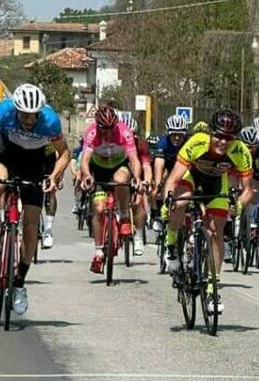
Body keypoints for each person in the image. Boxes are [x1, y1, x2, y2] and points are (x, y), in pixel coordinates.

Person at [0, 83, 70, 315]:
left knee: (30, 227)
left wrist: (54, 177)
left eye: (32, 116)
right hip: (6, 151)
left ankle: (19, 284)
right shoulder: (3, 111)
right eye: (24, 115)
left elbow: (64, 153)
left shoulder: (50, 121)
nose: (28, 121)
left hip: (33, 160)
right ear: (16, 110)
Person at [163, 109, 253, 313]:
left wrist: (238, 204)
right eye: (219, 136)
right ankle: (171, 245)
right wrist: (168, 199)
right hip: (191, 177)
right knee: (180, 201)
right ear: (211, 133)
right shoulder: (197, 142)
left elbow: (248, 190)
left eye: (228, 138)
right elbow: (173, 178)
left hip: (216, 184)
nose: (223, 142)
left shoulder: (240, 151)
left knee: (215, 230)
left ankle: (213, 288)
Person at [80, 105, 141, 274]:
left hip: (118, 167)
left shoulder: (124, 131)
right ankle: (99, 252)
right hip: (98, 170)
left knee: (121, 180)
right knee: (99, 209)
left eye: (110, 129)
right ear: (97, 126)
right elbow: (85, 160)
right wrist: (87, 175)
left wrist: (136, 176)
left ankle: (123, 216)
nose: (107, 133)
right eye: (103, 130)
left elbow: (134, 159)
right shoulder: (92, 132)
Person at [151, 114, 189, 231]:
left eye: (180, 135)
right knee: (161, 184)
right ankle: (159, 214)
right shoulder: (163, 143)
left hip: (183, 166)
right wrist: (158, 183)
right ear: (168, 134)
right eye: (174, 135)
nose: (177, 138)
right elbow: (159, 165)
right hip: (168, 165)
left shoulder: (189, 142)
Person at [123, 115, 152, 256]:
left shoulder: (141, 144)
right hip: (120, 174)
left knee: (138, 202)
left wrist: (146, 182)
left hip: (137, 175)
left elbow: (146, 166)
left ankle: (139, 237)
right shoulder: (114, 143)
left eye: (132, 135)